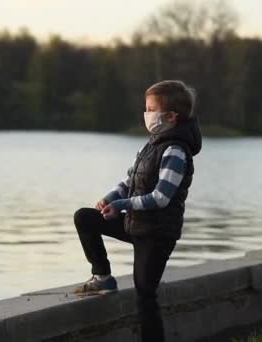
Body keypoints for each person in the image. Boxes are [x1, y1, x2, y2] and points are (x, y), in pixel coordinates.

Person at [72, 80, 202, 342]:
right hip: (137, 224)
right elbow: (130, 181)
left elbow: (161, 197)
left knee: (144, 294)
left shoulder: (176, 151)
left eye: (150, 109)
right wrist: (112, 197)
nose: (146, 114)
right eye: (146, 108)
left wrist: (120, 206)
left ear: (170, 116)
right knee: (85, 218)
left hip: (157, 234)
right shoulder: (153, 144)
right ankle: (103, 277)